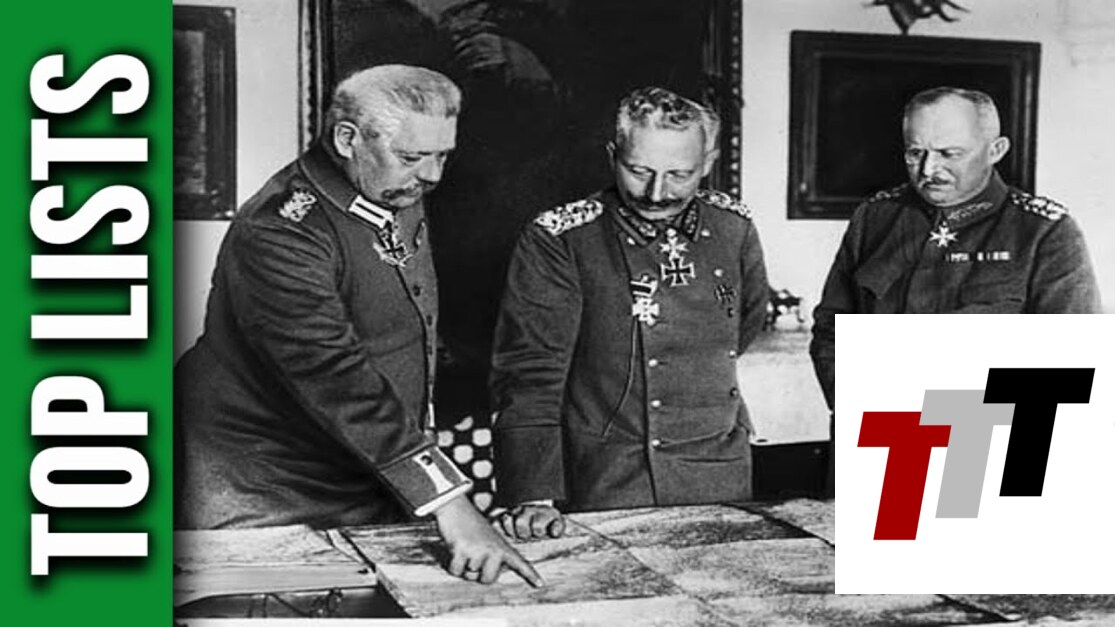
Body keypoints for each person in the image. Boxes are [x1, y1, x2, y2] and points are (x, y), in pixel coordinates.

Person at [175, 65, 540, 586]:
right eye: (412, 157)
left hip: (364, 472)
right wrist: (450, 502)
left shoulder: (391, 187)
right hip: (264, 491)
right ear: (347, 139)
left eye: (442, 155)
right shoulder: (280, 232)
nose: (432, 176)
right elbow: (335, 373)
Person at [489, 86, 770, 540]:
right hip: (610, 474)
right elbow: (530, 370)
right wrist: (534, 494)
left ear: (708, 162)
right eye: (639, 171)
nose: (657, 193)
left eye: (680, 174)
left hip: (720, 469)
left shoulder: (732, 226)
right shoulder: (562, 238)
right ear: (612, 155)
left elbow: (745, 323)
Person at [810, 86, 1101, 411]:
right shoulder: (874, 219)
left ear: (995, 150)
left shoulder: (1044, 232)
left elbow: (1070, 361)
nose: (928, 170)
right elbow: (831, 330)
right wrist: (865, 407)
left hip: (986, 433)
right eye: (915, 153)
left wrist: (935, 414)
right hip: (876, 427)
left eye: (950, 154)